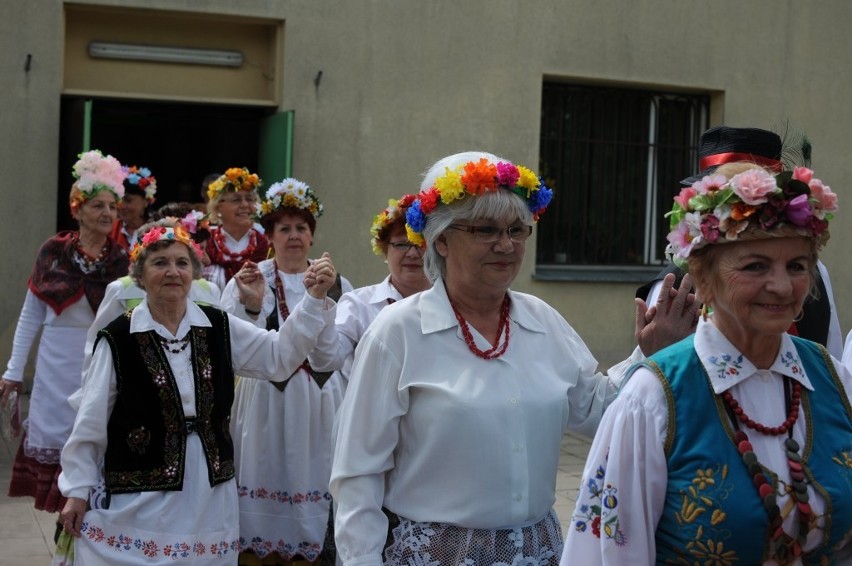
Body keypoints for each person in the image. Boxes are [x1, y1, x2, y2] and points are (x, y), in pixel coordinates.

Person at [329, 151, 698, 566]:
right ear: (442, 240)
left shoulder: (542, 321)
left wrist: (649, 355)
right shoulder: (396, 332)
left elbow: (598, 411)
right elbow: (358, 474)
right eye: (486, 229)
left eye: (517, 230)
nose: (506, 245)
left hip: (536, 553)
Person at [562, 162, 852, 564]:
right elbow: (609, 552)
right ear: (704, 276)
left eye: (797, 266)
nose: (783, 286)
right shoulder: (653, 398)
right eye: (755, 266)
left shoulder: (833, 379)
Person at [56, 220, 341, 565]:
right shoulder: (118, 337)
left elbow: (278, 357)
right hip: (142, 490)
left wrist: (312, 301)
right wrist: (76, 490)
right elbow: (91, 419)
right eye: (160, 263)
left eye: (182, 263)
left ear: (194, 272)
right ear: (140, 276)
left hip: (210, 488)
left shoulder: (217, 324)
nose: (173, 272)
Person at [219, 177, 351, 565]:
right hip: (264, 402)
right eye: (285, 228)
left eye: (302, 228)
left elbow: (336, 355)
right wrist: (254, 306)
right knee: (265, 470)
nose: (294, 236)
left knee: (316, 471)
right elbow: (232, 347)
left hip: (319, 400)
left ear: (312, 236)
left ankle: (311, 548)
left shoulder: (337, 283)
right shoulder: (247, 278)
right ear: (270, 235)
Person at [0, 149, 128, 527]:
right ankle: (64, 537)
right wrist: (12, 370)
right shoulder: (53, 252)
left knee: (95, 447)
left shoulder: (122, 261)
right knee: (56, 443)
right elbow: (31, 315)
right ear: (77, 209)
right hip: (55, 367)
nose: (107, 213)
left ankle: (88, 535)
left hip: (100, 364)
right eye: (97, 205)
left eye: (112, 207)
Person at [636, 126, 843, 358]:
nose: (781, 286)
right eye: (736, 204)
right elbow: (659, 367)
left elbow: (834, 363)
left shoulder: (815, 272)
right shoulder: (674, 284)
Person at [79, 205, 220, 389]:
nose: (206, 258)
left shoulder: (209, 291)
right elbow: (97, 349)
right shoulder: (122, 289)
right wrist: (90, 393)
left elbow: (222, 348)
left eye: (183, 260)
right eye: (161, 262)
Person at [334, 193, 430, 379]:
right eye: (401, 244)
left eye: (420, 244)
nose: (411, 253)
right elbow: (327, 359)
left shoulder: (451, 304)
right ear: (384, 251)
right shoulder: (358, 305)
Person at [204, 167, 270, 289]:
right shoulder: (206, 244)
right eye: (236, 200)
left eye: (250, 199)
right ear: (218, 207)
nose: (245, 205)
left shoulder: (267, 244)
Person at [110, 164, 157, 251]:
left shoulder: (158, 230)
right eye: (119, 200)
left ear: (146, 201)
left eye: (128, 200)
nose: (122, 206)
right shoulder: (109, 229)